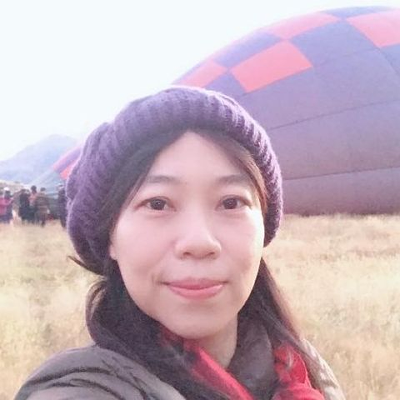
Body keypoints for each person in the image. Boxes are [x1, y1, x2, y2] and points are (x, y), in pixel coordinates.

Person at [15, 87, 345, 400]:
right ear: (110, 235)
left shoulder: (304, 370)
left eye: (231, 202)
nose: (199, 242)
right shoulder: (81, 391)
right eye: (157, 204)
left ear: (264, 225)